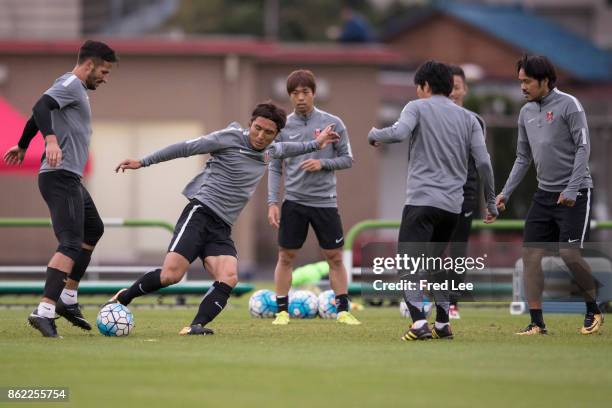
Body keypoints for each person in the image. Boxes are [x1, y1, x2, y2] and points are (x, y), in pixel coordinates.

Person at [110, 102, 340, 335]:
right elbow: (185, 147)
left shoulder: (272, 150)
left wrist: (318, 143)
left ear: (276, 135)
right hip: (200, 213)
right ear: (251, 124)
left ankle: (195, 326)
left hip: (222, 226)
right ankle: (124, 296)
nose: (260, 136)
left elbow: (294, 148)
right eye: (257, 128)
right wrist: (143, 161)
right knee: (171, 275)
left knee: (229, 276)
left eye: (268, 132)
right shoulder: (228, 138)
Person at [368, 60, 497, 341]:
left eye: (418, 87)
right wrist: (491, 201)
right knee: (437, 264)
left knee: (409, 264)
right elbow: (484, 162)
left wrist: (375, 134)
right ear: (450, 87)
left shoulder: (416, 107)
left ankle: (417, 324)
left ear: (424, 86)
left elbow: (400, 132)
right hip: (453, 206)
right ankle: (442, 323)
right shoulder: (469, 118)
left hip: (421, 201)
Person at [3, 40, 118, 338]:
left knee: (93, 229)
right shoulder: (70, 83)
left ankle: (67, 299)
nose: (106, 78)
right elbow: (40, 106)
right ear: (89, 65)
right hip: (59, 176)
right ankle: (43, 311)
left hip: (70, 177)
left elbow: (38, 114)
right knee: (70, 242)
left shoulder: (70, 87)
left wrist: (23, 144)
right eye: (104, 71)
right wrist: (50, 141)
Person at [497, 55, 602, 336]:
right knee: (531, 256)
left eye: (527, 81)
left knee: (569, 254)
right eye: (520, 81)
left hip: (576, 192)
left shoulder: (570, 105)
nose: (522, 87)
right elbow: (522, 158)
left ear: (545, 81)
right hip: (544, 194)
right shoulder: (525, 112)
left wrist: (571, 187)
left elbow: (583, 148)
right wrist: (504, 193)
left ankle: (593, 307)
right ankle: (536, 322)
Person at [267, 69, 360, 326]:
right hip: (294, 202)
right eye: (295, 93)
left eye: (305, 92)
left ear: (314, 93)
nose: (300, 98)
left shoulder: (334, 122)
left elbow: (348, 160)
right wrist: (272, 203)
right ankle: (281, 312)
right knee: (286, 257)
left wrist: (323, 164)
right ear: (289, 96)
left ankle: (343, 310)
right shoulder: (283, 127)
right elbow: (275, 167)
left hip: (325, 202)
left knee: (334, 257)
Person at [447, 64, 487, 319]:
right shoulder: (429, 118)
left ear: (465, 90)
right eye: (448, 87)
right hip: (435, 193)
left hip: (465, 194)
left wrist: (489, 200)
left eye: (457, 87)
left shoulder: (475, 121)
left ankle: (452, 303)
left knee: (457, 249)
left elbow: (481, 162)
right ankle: (421, 299)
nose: (452, 92)